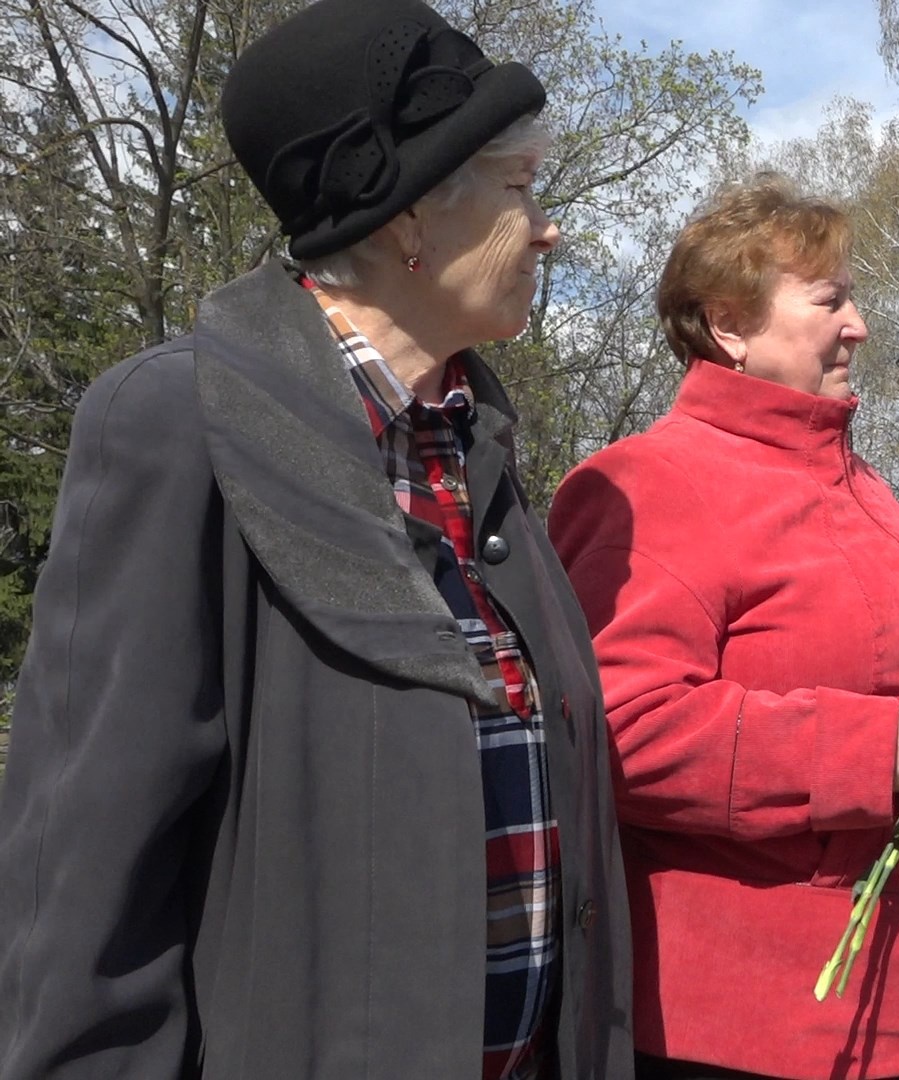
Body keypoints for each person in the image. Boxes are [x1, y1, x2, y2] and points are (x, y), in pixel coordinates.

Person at [0, 2, 635, 1076]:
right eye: (519, 189)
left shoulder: (473, 446)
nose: (548, 229)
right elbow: (85, 877)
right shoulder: (178, 425)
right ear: (407, 220)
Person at [547, 176, 899, 1079]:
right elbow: (619, 730)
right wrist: (867, 753)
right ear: (729, 324)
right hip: (759, 1027)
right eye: (829, 300)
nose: (859, 325)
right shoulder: (649, 484)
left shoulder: (862, 485)